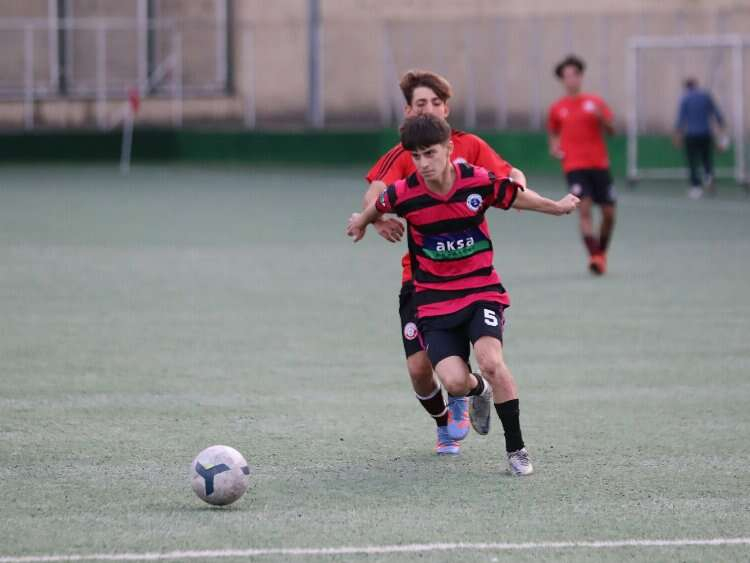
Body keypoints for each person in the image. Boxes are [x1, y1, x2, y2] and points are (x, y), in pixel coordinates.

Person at [347, 114, 580, 475]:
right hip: (434, 301)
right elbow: (376, 206)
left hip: (480, 290)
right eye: (416, 156)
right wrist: (361, 223)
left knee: (491, 360)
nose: (423, 163)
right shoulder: (405, 192)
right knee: (455, 382)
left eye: (430, 153)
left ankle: (516, 449)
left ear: (449, 148)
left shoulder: (476, 180)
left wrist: (557, 206)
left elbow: (516, 197)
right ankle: (478, 390)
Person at [363, 70, 529, 456]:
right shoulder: (407, 152)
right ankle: (445, 420)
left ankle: (469, 398)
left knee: (480, 361)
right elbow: (376, 192)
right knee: (419, 369)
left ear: (446, 109)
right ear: (408, 110)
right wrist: (377, 219)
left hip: (470, 278)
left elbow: (509, 175)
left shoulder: (469, 145)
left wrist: (521, 190)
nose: (429, 109)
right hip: (422, 280)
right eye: (421, 104)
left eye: (436, 103)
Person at [548, 54, 616, 276]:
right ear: (562, 80)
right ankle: (594, 256)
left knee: (609, 213)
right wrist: (554, 147)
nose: (571, 79)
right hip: (574, 166)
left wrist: (602, 119)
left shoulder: (595, 102)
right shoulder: (557, 108)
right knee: (583, 209)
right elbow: (553, 133)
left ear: (581, 76)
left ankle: (601, 253)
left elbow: (612, 131)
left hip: (599, 164)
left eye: (574, 75)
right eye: (566, 76)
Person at [673, 78, 727, 199]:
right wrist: (722, 129)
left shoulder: (685, 99)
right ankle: (708, 177)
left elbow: (681, 119)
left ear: (686, 87)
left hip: (691, 135)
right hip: (705, 133)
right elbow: (717, 114)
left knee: (692, 161)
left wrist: (677, 136)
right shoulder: (706, 96)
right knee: (706, 158)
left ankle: (696, 187)